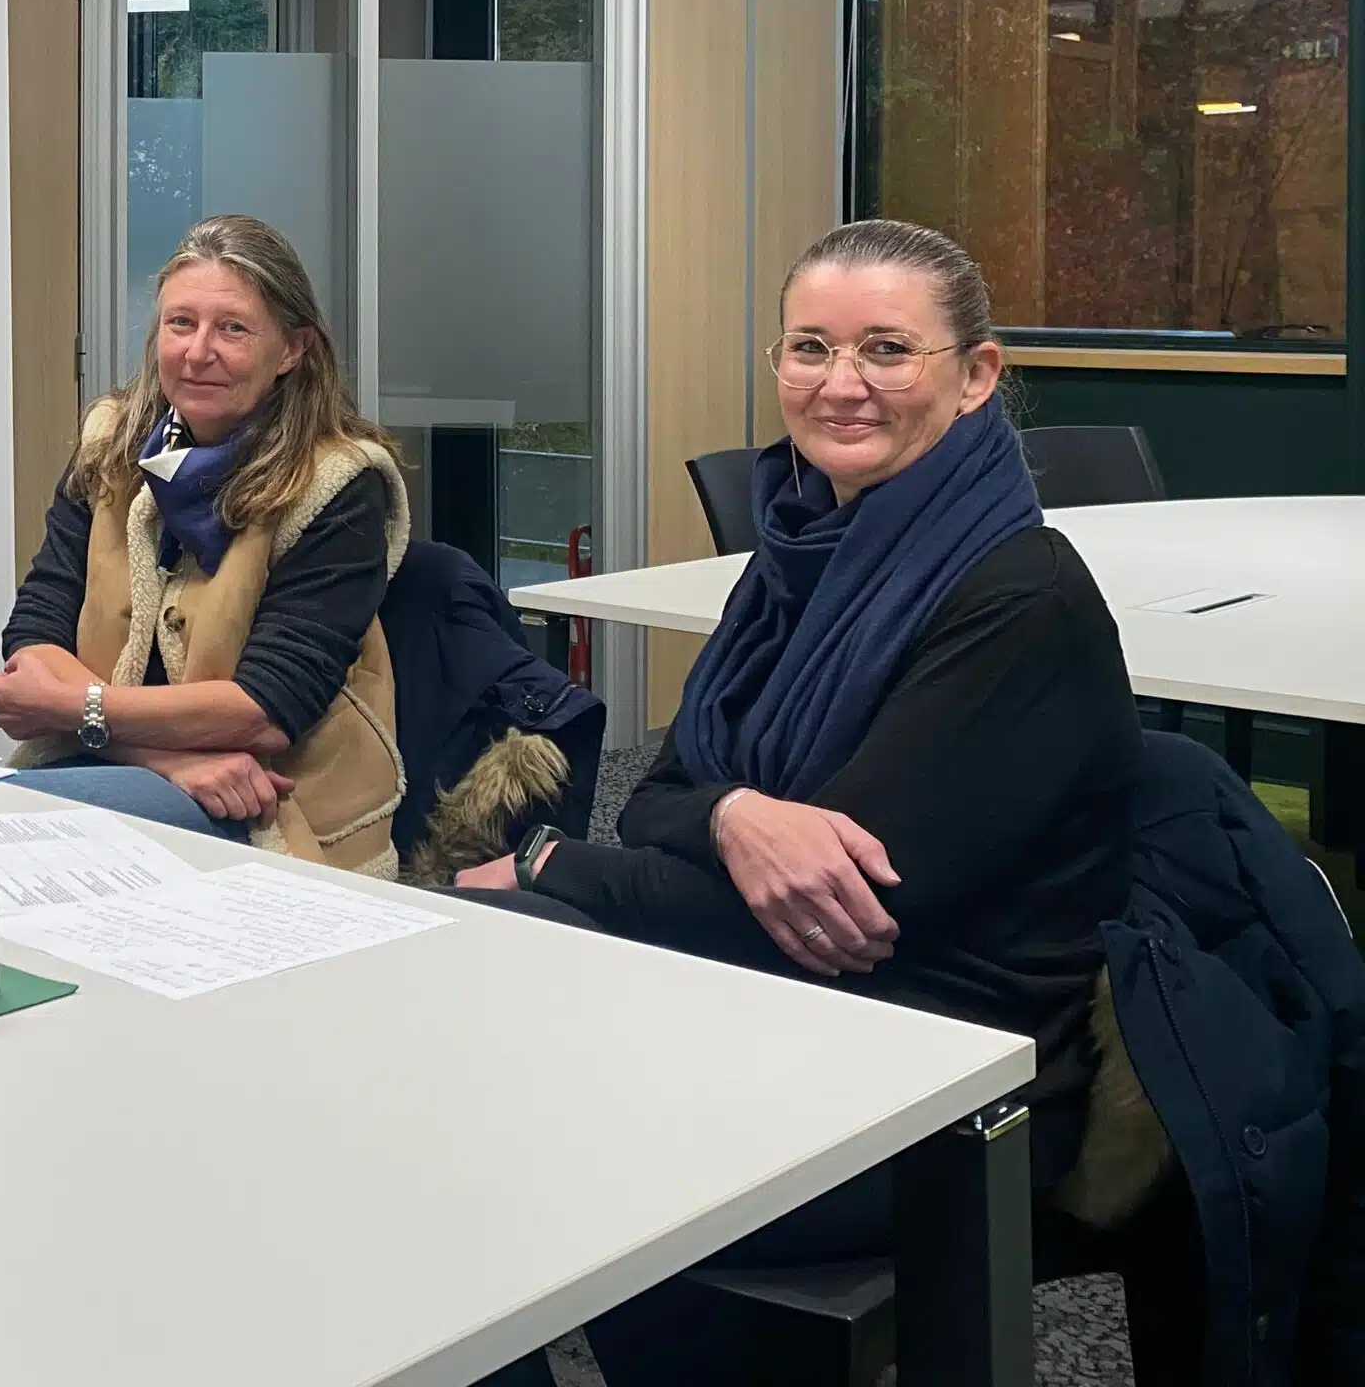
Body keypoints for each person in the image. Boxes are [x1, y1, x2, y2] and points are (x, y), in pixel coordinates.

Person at [455, 219, 1142, 1386]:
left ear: (977, 377)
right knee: (451, 1061)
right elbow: (666, 790)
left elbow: (836, 920)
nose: (842, 384)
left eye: (887, 350)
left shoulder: (1016, 599)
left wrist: (552, 863)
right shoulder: (801, 555)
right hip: (764, 1008)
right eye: (810, 348)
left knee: (500, 1173)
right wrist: (735, 817)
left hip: (933, 1065)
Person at [0, 214, 410, 874]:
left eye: (233, 328)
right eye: (181, 324)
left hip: (267, 801)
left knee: (1, 834)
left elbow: (266, 711)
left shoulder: (340, 483)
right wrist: (162, 757)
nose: (198, 351)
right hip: (158, 768)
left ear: (293, 350)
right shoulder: (113, 442)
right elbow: (36, 631)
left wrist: (74, 710)